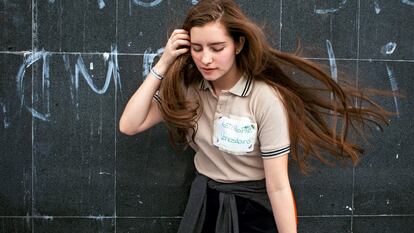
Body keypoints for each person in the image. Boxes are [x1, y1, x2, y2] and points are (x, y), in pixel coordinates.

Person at [119, 0, 390, 232]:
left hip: (252, 209)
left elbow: (279, 186)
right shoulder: (189, 90)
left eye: (217, 47)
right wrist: (163, 64)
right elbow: (129, 124)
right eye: (197, 48)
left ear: (238, 45)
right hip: (204, 203)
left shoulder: (265, 99)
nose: (206, 59)